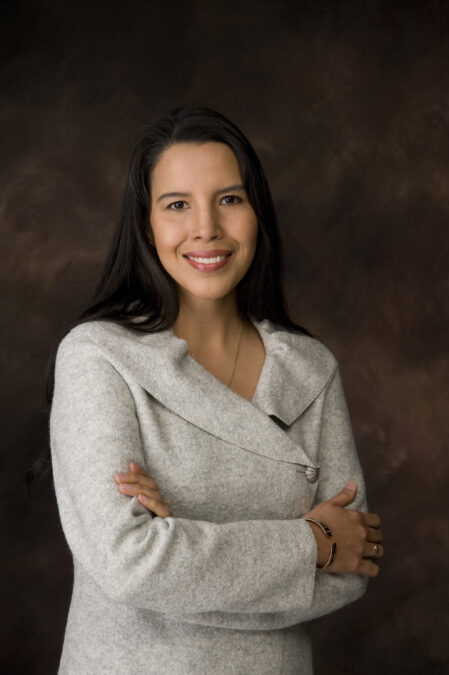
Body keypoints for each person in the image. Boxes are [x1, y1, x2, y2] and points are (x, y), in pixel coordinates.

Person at [47, 104, 383, 674]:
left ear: (257, 214)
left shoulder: (310, 368)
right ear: (146, 222)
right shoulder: (97, 356)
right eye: (177, 204)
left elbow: (353, 567)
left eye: (230, 199)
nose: (207, 227)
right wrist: (311, 546)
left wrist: (180, 541)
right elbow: (129, 563)